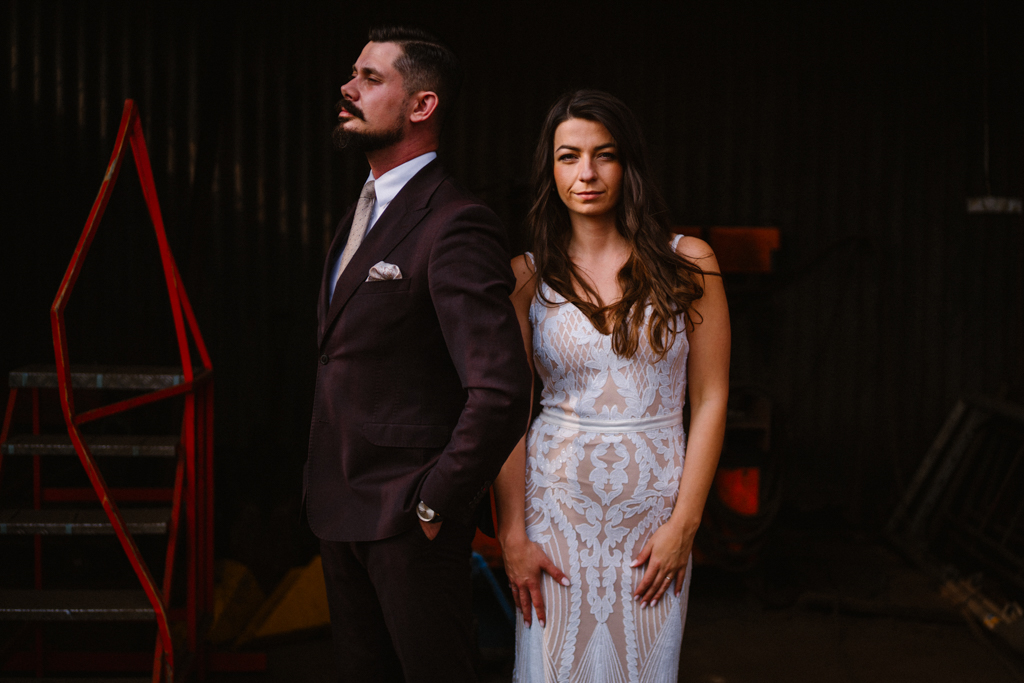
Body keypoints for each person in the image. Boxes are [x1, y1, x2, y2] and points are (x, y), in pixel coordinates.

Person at [304, 26, 532, 683]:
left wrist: (434, 504)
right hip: (339, 508)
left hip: (409, 518)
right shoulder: (364, 209)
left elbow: (500, 389)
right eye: (353, 74)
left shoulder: (455, 221)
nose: (348, 88)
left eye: (371, 78)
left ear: (422, 105)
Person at [494, 90, 731, 682]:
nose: (587, 173)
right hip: (555, 515)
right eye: (569, 156)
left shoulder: (689, 262)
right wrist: (512, 534)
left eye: (605, 155)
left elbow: (710, 399)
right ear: (551, 169)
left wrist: (685, 525)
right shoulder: (527, 276)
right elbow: (509, 410)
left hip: (654, 519)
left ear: (629, 165)